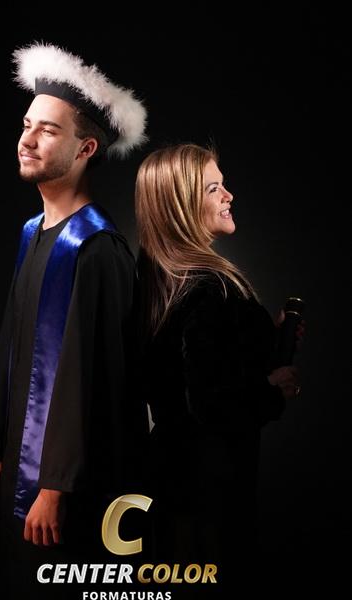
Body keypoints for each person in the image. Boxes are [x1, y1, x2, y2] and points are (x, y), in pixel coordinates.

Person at [0, 43, 148, 598]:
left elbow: (89, 380)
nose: (26, 139)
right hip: (21, 472)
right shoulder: (34, 233)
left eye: (47, 130)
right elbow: (13, 344)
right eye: (27, 125)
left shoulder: (97, 250)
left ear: (86, 148)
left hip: (68, 492)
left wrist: (53, 487)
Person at [135, 143, 302, 597]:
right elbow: (210, 405)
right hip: (209, 496)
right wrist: (272, 390)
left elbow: (189, 375)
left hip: (171, 485)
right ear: (181, 205)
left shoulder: (159, 281)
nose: (229, 195)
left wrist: (265, 340)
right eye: (213, 188)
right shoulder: (210, 287)